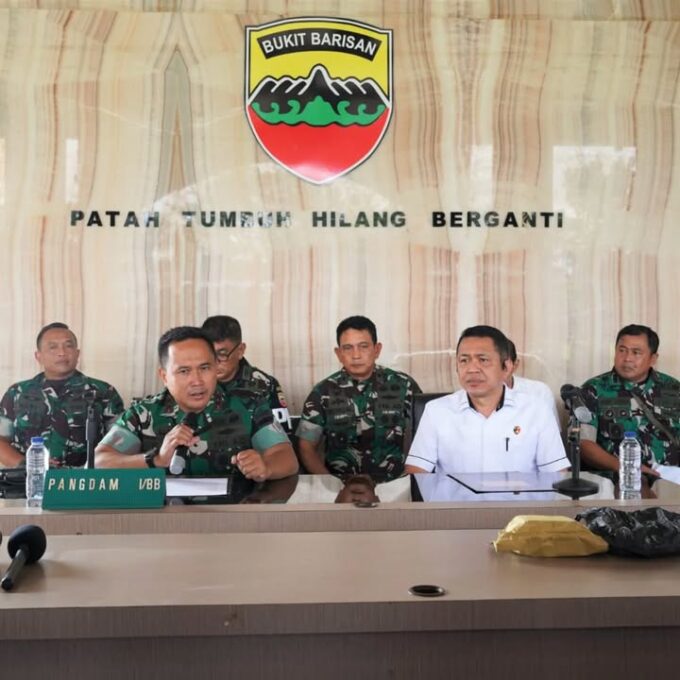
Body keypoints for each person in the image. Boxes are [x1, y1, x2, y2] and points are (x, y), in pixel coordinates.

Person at [95, 326, 298, 480]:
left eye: (205, 368)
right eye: (184, 371)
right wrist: (154, 460)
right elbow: (98, 461)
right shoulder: (143, 413)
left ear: (216, 367)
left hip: (232, 520)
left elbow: (286, 457)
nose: (197, 380)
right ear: (164, 376)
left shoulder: (248, 405)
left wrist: (265, 466)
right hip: (162, 524)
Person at [405, 325, 568, 475]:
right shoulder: (437, 411)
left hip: (520, 506)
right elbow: (417, 470)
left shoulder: (536, 410)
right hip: (457, 506)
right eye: (464, 360)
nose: (472, 369)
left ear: (507, 367)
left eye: (483, 360)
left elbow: (556, 473)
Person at [296, 315, 421, 480]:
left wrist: (409, 479)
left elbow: (428, 438)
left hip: (393, 485)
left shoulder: (403, 386)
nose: (356, 355)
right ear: (338, 353)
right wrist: (328, 482)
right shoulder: (322, 392)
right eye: (348, 348)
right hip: (340, 489)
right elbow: (306, 447)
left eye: (363, 346)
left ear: (377, 349)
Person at [0, 323, 123, 468]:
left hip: (84, 482)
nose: (62, 352)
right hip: (29, 481)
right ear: (38, 356)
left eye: (68, 346)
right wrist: (26, 465)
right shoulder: (17, 393)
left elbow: (120, 444)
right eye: (53, 347)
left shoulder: (102, 392)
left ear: (77, 354)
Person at [580, 324, 680, 473]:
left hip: (669, 481)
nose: (627, 358)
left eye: (636, 352)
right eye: (622, 350)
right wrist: (626, 468)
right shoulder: (593, 389)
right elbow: (583, 444)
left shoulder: (673, 388)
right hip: (615, 480)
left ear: (653, 358)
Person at [201, 315, 291, 431]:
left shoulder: (265, 385)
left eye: (222, 354)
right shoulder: (195, 383)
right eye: (209, 353)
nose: (214, 362)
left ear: (240, 351)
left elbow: (283, 437)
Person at [505, 338, 560, 424]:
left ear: (515, 365)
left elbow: (552, 434)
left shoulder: (539, 392)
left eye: (502, 364)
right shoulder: (477, 393)